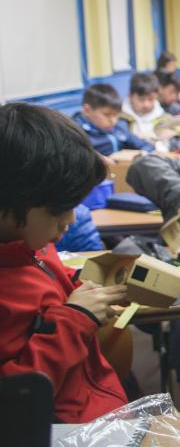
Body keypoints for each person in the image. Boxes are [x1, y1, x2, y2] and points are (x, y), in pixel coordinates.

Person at [0, 103, 128, 422]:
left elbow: (43, 279)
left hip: (93, 406)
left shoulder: (32, 245)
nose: (70, 220)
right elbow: (17, 396)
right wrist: (75, 319)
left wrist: (82, 284)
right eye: (59, 210)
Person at [73, 83, 154, 155]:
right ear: (87, 110)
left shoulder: (118, 128)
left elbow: (145, 145)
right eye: (107, 115)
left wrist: (141, 154)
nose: (113, 120)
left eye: (116, 115)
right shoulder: (76, 135)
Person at [121, 72, 166, 139]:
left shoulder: (164, 118)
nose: (146, 104)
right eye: (141, 99)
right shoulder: (120, 118)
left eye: (151, 99)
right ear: (130, 96)